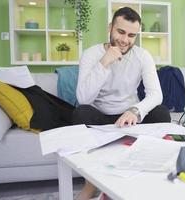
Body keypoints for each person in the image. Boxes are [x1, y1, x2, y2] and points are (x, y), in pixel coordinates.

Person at [73, 7, 171, 200]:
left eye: (132, 35)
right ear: (110, 27)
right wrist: (105, 62)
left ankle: (147, 175)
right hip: (100, 115)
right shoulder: (91, 54)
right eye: (121, 32)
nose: (125, 40)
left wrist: (136, 110)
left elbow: (155, 94)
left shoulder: (143, 56)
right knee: (80, 113)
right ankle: (91, 186)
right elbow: (83, 98)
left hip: (129, 117)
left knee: (161, 113)